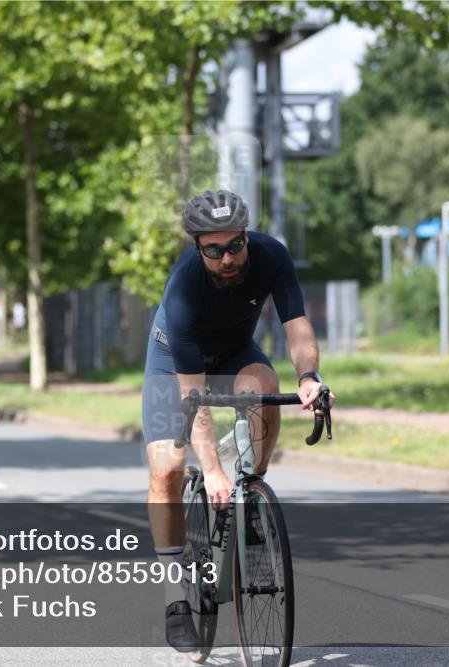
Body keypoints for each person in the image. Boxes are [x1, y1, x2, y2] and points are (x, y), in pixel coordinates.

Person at [143, 189, 325, 652]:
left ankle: (250, 488)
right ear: (197, 247)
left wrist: (308, 378)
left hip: (235, 351)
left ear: (247, 236)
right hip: (175, 363)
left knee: (264, 387)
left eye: (235, 246)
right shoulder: (184, 286)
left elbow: (297, 325)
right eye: (214, 250)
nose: (228, 258)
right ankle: (174, 599)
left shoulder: (271, 256)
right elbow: (193, 397)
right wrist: (209, 468)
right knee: (167, 466)